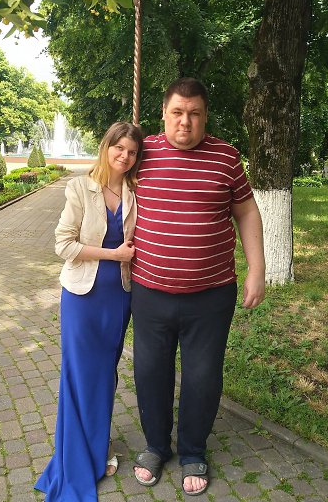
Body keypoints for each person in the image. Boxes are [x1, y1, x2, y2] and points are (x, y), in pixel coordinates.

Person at [131, 78, 265, 496]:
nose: (185, 122)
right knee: (150, 372)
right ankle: (156, 446)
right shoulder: (142, 153)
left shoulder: (226, 157)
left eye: (194, 114)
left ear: (206, 116)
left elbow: (247, 211)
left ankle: (192, 450)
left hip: (211, 295)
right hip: (149, 291)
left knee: (202, 377)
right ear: (163, 113)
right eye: (177, 112)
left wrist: (257, 269)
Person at [35, 121, 143, 502]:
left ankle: (99, 446)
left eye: (132, 152)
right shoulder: (80, 187)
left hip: (119, 298)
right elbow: (63, 245)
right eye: (119, 148)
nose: (124, 156)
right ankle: (77, 457)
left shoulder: (135, 191)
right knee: (79, 375)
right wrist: (113, 254)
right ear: (106, 147)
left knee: (104, 375)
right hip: (83, 297)